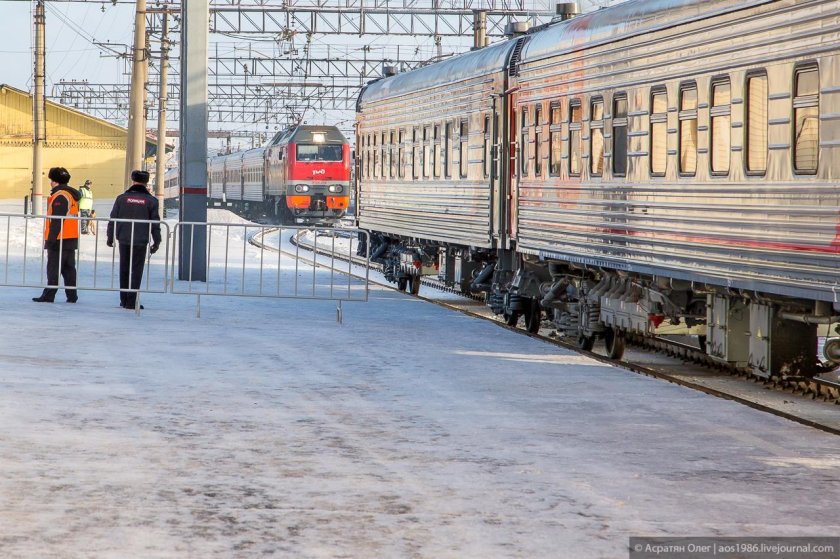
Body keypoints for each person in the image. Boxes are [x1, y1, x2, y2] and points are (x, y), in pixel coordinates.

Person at [106, 170, 162, 310]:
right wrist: (157, 241)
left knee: (124, 269)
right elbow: (155, 223)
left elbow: (113, 219)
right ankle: (132, 301)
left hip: (124, 238)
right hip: (141, 240)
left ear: (133, 181)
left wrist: (110, 236)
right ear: (146, 182)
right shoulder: (151, 201)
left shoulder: (121, 198)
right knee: (136, 271)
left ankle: (124, 300)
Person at [33, 167, 81, 303]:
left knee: (54, 267)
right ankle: (72, 295)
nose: (50, 183)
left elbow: (57, 220)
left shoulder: (60, 196)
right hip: (70, 237)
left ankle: (49, 295)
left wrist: (51, 239)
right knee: (68, 268)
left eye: (51, 180)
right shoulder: (69, 194)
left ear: (55, 181)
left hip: (60, 238)